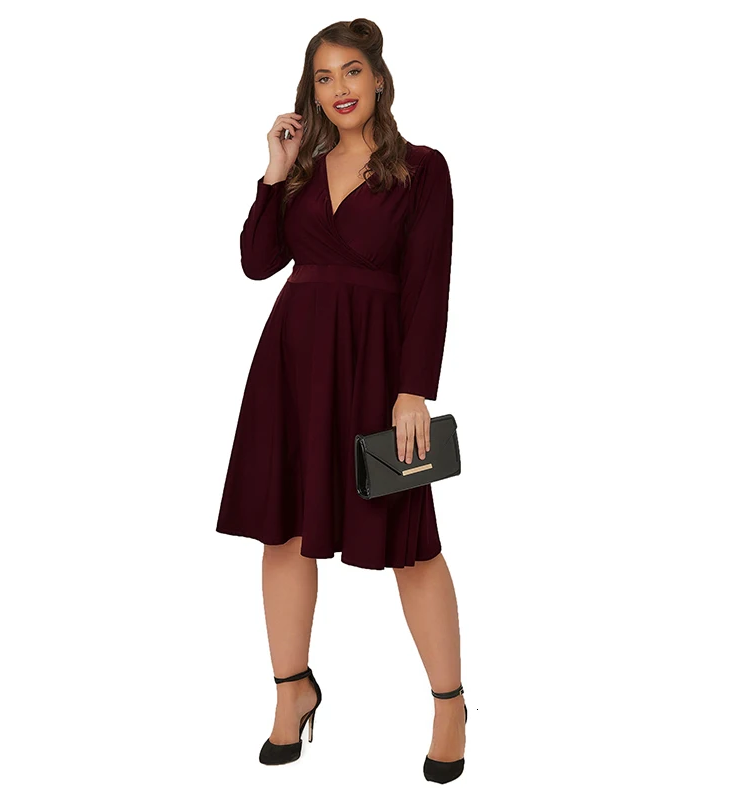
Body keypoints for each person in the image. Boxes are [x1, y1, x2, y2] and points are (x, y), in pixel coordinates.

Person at [215, 19, 466, 783]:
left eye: (351, 71)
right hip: (292, 365)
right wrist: (274, 170)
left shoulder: (422, 169)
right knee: (283, 532)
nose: (339, 89)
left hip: (377, 369)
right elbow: (258, 262)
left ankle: (450, 706)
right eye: (323, 78)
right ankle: (291, 692)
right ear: (312, 92)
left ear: (379, 79)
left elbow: (429, 285)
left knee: (410, 543)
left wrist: (414, 389)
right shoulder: (301, 169)